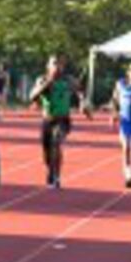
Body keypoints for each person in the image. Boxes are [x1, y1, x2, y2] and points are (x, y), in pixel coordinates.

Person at [29, 53, 90, 188]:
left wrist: (82, 102)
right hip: (47, 120)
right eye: (54, 63)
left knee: (56, 142)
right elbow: (32, 96)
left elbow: (80, 90)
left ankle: (56, 176)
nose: (57, 66)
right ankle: (50, 169)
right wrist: (46, 86)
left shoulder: (68, 80)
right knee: (46, 154)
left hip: (63, 119)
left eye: (60, 64)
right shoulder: (42, 80)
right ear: (48, 66)